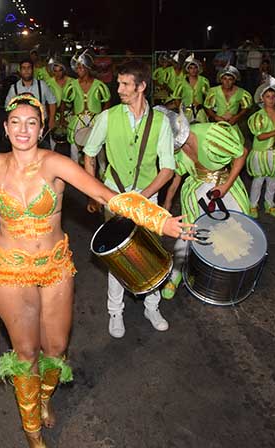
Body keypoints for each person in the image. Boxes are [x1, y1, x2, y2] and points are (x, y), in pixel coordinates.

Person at [0, 93, 193, 448]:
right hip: (10, 269)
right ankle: (32, 431)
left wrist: (160, 220)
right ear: (6, 128)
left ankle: (42, 400)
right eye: (16, 122)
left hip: (54, 266)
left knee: (55, 348)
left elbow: (107, 195)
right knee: (26, 353)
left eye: (32, 123)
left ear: (41, 129)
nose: (23, 129)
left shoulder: (55, 163)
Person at [82, 59, 178, 337]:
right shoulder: (107, 117)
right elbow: (89, 154)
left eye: (125, 84)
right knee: (119, 255)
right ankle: (115, 311)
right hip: (114, 195)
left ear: (141, 86)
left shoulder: (160, 121)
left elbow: (168, 168)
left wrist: (142, 197)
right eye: (119, 83)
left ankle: (152, 305)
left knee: (151, 252)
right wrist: (96, 192)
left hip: (148, 197)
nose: (119, 88)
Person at [161, 111, 251, 299]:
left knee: (235, 228)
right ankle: (175, 274)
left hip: (225, 186)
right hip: (196, 189)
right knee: (187, 231)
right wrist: (167, 203)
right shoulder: (173, 147)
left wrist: (225, 186)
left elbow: (242, 153)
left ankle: (227, 274)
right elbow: (176, 177)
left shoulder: (212, 134)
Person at [246, 76, 275, 218]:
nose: (271, 99)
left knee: (272, 181)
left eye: (273, 96)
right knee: (258, 181)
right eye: (268, 96)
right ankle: (253, 205)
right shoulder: (257, 116)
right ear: (262, 98)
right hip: (261, 152)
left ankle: (269, 203)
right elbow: (259, 136)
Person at [63, 49, 110, 163]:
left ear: (87, 68)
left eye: (81, 67)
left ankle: (101, 174)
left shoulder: (99, 85)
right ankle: (75, 173)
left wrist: (102, 117)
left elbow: (107, 101)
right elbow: (65, 102)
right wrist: (64, 117)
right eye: (77, 68)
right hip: (78, 119)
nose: (78, 70)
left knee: (98, 150)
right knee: (74, 147)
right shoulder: (72, 85)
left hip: (95, 120)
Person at [5, 58, 57, 135]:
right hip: (22, 126)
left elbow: (52, 102)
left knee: (43, 146)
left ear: (33, 70)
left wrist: (51, 119)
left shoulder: (42, 85)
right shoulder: (14, 88)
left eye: (29, 68)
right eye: (24, 68)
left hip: (41, 124)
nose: (26, 70)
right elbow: (8, 107)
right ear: (20, 70)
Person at [204, 64, 252, 135]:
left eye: (230, 79)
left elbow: (246, 107)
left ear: (234, 80)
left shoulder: (242, 92)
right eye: (224, 79)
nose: (227, 82)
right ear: (221, 80)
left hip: (233, 125)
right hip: (218, 124)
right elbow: (208, 106)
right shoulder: (214, 91)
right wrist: (215, 116)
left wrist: (236, 117)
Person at [43, 54, 75, 151]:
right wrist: (50, 116)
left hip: (70, 113)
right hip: (55, 114)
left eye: (60, 70)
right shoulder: (48, 82)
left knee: (73, 139)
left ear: (64, 70)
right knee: (53, 139)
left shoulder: (72, 82)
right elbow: (46, 101)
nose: (58, 73)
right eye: (55, 71)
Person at [171, 53, 210, 124]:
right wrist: (181, 111)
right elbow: (176, 97)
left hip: (200, 111)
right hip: (186, 111)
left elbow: (208, 97)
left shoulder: (204, 81)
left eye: (195, 68)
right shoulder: (182, 82)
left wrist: (207, 111)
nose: (193, 70)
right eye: (191, 68)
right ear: (188, 69)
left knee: (202, 129)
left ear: (198, 69)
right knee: (185, 131)